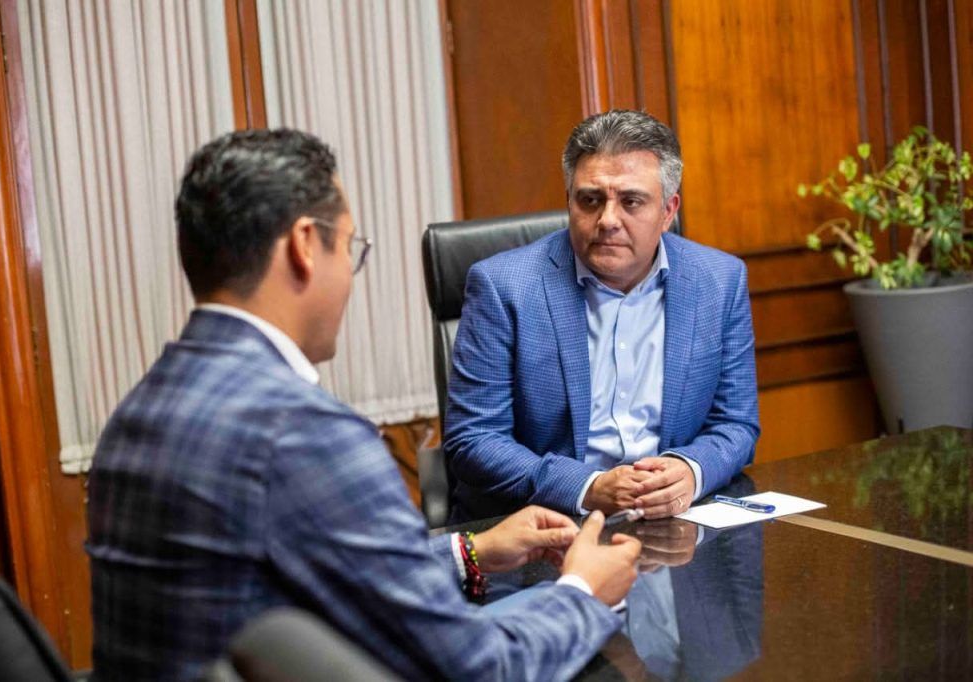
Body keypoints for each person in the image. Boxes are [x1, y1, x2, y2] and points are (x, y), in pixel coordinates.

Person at [85, 129, 642, 681]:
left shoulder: (138, 412)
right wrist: (583, 593)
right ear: (305, 245)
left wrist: (470, 551)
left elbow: (285, 585)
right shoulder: (304, 432)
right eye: (350, 248)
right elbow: (481, 668)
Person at [444, 109, 760, 522]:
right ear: (569, 202)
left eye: (631, 201)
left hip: (670, 520)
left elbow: (736, 424)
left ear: (668, 211)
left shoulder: (719, 280)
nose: (608, 220)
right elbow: (474, 439)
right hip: (545, 523)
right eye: (590, 200)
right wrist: (587, 487)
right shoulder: (503, 286)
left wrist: (691, 470)